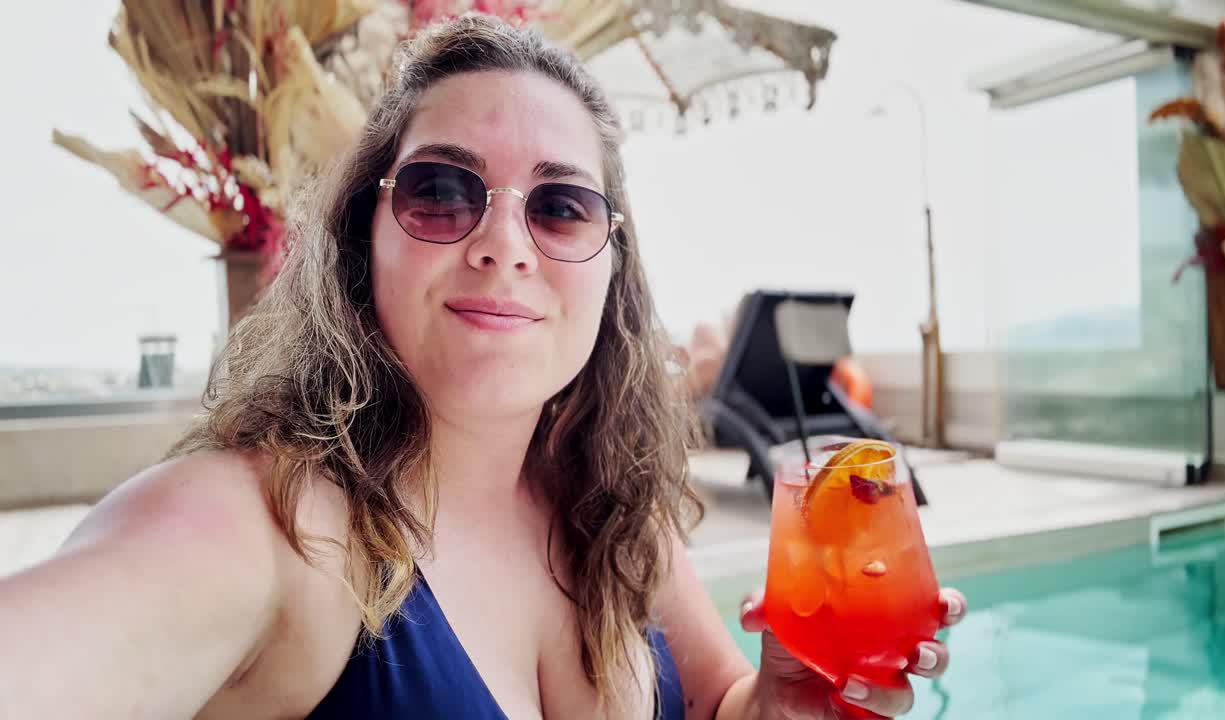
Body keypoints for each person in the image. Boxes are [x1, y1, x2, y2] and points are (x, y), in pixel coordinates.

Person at [0, 15, 965, 719]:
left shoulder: (614, 506)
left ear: (612, 268)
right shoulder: (269, 532)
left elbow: (721, 703)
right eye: (440, 189)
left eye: (560, 207)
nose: (504, 243)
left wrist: (778, 703)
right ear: (358, 242)